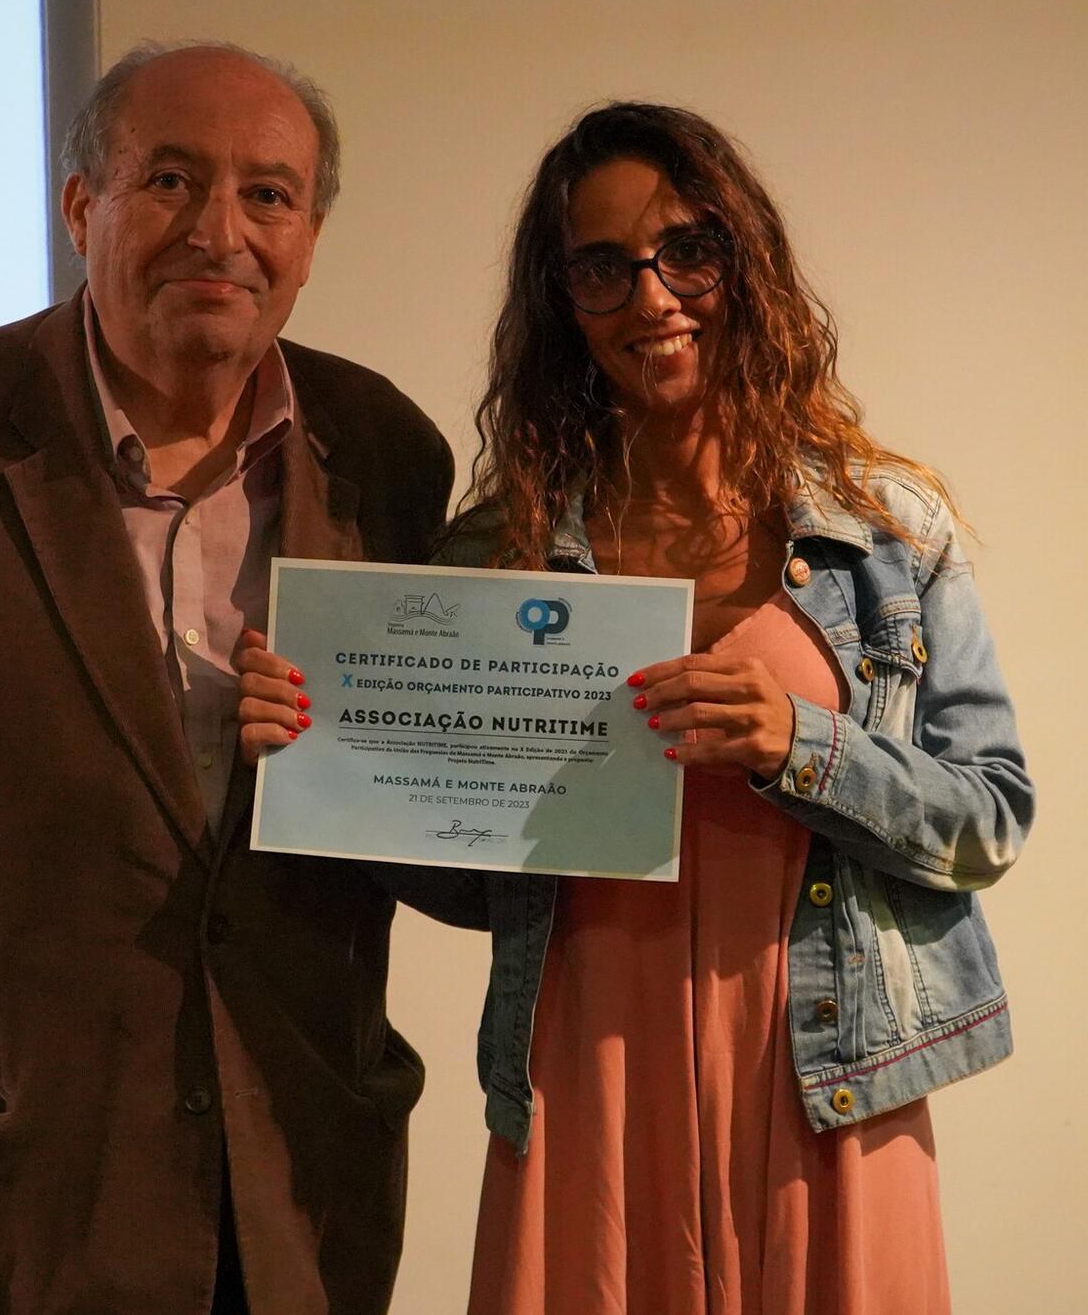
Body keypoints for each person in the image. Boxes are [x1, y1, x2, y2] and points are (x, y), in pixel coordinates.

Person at [241, 101, 1035, 1312]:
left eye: (687, 251)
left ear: (743, 263)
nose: (652, 296)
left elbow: (989, 820)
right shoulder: (497, 553)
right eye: (603, 267)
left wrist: (801, 743)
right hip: (586, 1075)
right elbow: (473, 872)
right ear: (563, 301)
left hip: (826, 1085)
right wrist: (324, 755)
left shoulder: (888, 531)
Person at [0, 42, 455, 1315]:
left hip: (298, 1197)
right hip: (6, 1205)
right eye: (170, 180)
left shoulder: (384, 450)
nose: (219, 231)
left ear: (310, 237)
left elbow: (425, 795)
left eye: (268, 195)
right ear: (79, 207)